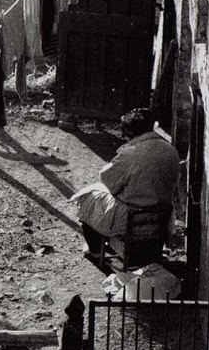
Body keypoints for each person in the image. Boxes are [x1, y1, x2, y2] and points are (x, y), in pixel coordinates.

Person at [71, 109, 181, 268]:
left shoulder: (130, 153)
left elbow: (108, 179)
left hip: (131, 217)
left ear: (129, 132)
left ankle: (94, 251)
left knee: (87, 197)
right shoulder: (170, 150)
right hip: (161, 216)